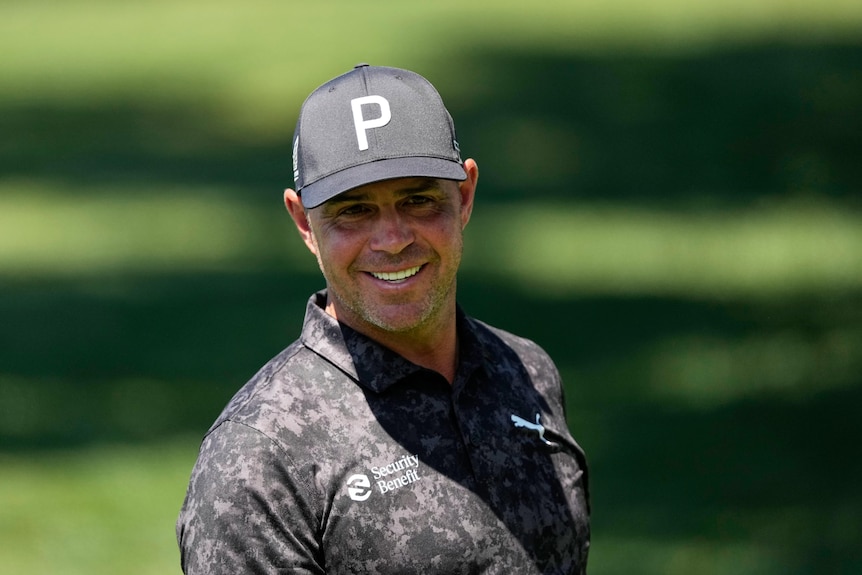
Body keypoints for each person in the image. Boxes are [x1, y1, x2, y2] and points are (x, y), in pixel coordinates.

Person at [177, 63, 590, 574]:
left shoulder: (527, 373)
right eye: (353, 210)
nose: (393, 240)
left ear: (464, 196)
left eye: (418, 200)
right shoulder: (260, 457)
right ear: (304, 222)